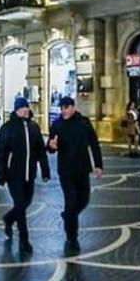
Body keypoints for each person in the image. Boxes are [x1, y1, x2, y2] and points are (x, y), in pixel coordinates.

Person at [46, 96, 103, 252]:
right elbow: (51, 146)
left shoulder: (84, 123)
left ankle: (68, 216)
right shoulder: (57, 125)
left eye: (66, 108)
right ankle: (72, 236)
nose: (63, 111)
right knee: (71, 201)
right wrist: (51, 146)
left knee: (84, 200)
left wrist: (98, 165)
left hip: (82, 169)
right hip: (66, 171)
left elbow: (94, 143)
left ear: (73, 107)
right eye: (61, 108)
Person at [0, 97, 50, 254]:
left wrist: (45, 171)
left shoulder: (34, 127)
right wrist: (1, 176)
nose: (24, 110)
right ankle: (24, 240)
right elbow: (1, 153)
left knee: (26, 203)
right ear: (16, 110)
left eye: (26, 107)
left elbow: (40, 151)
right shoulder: (8, 128)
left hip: (30, 175)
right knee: (20, 205)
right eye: (21, 108)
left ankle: (9, 219)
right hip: (14, 175)